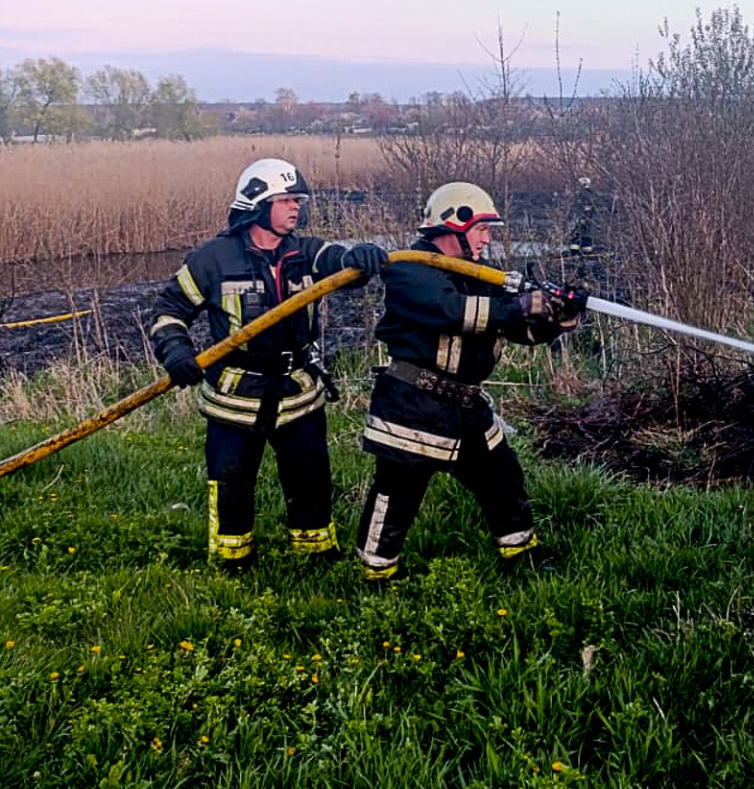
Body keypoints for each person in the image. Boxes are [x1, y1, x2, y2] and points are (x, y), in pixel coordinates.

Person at [147, 157, 389, 569]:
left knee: (310, 478)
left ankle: (315, 557)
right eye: (287, 200)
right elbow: (169, 309)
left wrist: (359, 259)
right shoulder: (213, 259)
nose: (296, 207)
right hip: (235, 397)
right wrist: (176, 352)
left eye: (298, 200)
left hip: (298, 392)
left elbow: (337, 261)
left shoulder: (306, 252)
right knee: (230, 481)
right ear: (258, 204)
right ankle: (232, 561)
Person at [355, 181, 584, 581]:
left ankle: (520, 556)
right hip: (413, 404)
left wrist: (556, 317)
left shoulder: (479, 274)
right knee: (397, 493)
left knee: (502, 475)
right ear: (453, 225)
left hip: (464, 407)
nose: (487, 239)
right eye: (481, 229)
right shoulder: (409, 270)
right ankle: (377, 574)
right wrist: (516, 306)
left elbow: (517, 329)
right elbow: (453, 311)